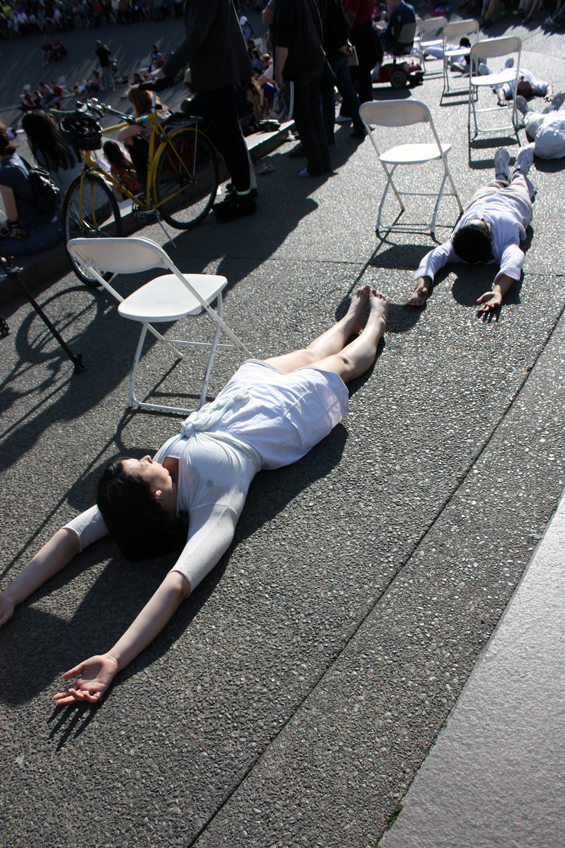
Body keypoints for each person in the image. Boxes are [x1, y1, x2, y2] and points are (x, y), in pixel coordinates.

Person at [0, 288, 389, 704]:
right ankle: (376, 323)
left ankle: (349, 319)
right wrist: (114, 657)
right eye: (142, 464)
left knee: (311, 352)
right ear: (154, 495)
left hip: (238, 397)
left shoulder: (133, 497)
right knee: (343, 364)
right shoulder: (213, 502)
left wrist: (10, 594)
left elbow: (71, 535)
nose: (147, 456)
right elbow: (177, 584)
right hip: (280, 415)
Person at [149, 0, 256, 221]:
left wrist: (167, 70)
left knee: (229, 135)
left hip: (217, 73)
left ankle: (244, 197)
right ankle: (241, 190)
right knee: (227, 134)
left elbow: (197, 34)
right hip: (217, 71)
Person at [406, 146, 536, 314]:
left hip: (508, 201)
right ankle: (506, 174)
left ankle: (518, 170)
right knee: (505, 184)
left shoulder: (506, 231)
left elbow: (514, 260)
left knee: (516, 182)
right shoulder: (460, 242)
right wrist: (421, 286)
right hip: (489, 199)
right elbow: (433, 257)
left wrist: (498, 291)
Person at [274, 0, 331, 178]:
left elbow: (283, 36)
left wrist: (278, 71)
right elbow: (319, 24)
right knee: (315, 115)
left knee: (304, 118)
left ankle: (315, 164)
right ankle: (324, 161)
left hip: (298, 65)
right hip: (314, 59)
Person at [0, 122, 64, 257]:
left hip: (42, 234)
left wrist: (6, 223)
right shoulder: (17, 158)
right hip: (55, 223)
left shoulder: (5, 172)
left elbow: (12, 216)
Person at [21, 110, 82, 197]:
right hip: (98, 192)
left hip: (78, 202)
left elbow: (55, 186)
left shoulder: (43, 153)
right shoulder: (66, 137)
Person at [517, 92, 565, 159]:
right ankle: (553, 107)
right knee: (551, 114)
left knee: (530, 117)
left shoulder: (549, 141)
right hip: (557, 119)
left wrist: (530, 148)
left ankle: (526, 111)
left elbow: (543, 145)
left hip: (546, 128)